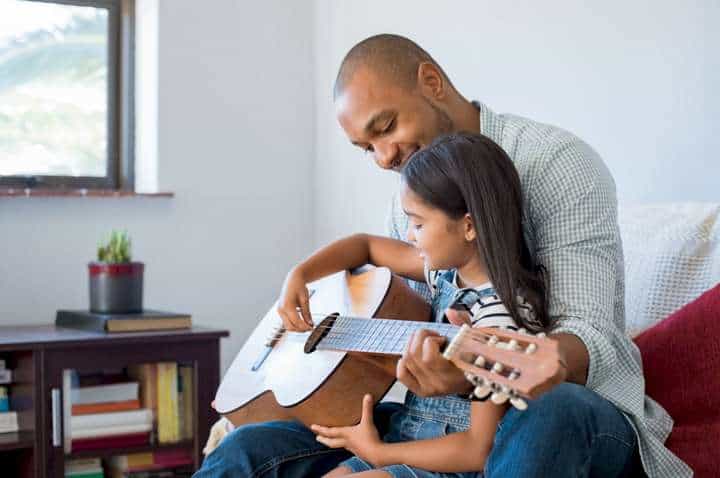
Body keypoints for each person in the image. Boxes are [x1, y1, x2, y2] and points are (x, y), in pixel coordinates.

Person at [194, 34, 691, 477]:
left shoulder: (555, 163)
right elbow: (411, 329)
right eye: (366, 148)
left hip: (570, 416)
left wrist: (483, 369)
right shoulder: (409, 195)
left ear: (431, 82)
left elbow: (590, 338)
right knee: (249, 449)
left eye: (385, 127)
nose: (383, 158)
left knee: (548, 408)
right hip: (438, 423)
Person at [280, 132, 549, 478]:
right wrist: (300, 275)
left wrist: (377, 452)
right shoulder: (446, 274)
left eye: (418, 223)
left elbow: (477, 450)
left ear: (468, 226)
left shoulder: (500, 317)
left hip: (446, 466)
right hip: (406, 439)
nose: (408, 235)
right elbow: (364, 246)